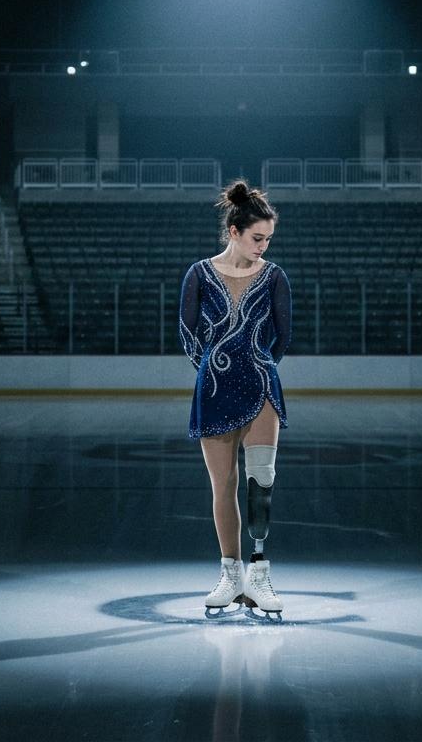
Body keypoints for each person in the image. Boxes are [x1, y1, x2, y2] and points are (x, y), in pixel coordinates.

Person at [178, 179, 292, 617]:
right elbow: (187, 333)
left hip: (262, 385)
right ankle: (231, 574)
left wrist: (258, 365)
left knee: (261, 480)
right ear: (234, 232)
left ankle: (259, 575)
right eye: (257, 238)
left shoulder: (275, 276)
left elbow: (283, 336)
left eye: (269, 239)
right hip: (213, 389)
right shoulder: (199, 273)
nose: (264, 246)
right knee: (223, 484)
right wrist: (214, 367)